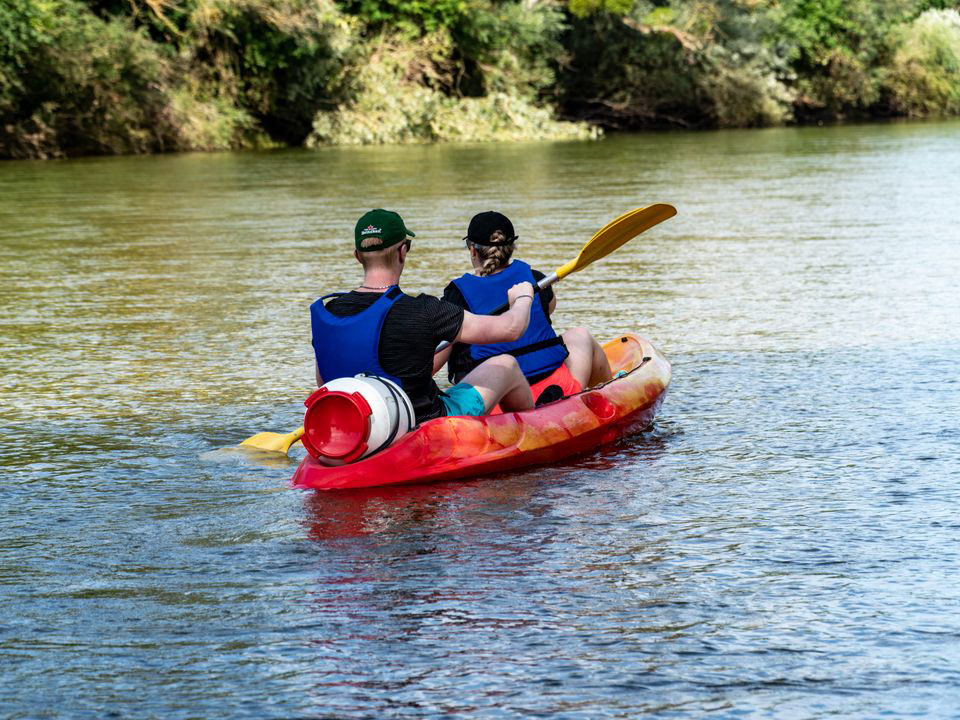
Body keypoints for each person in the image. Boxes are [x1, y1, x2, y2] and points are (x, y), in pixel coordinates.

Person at [311, 209, 536, 424]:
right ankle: (531, 429)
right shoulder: (425, 310)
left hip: (359, 426)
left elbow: (325, 383)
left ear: (358, 257)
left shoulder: (327, 312)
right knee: (506, 364)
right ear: (403, 251)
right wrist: (522, 298)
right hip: (425, 425)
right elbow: (511, 329)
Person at [437, 211, 612, 405]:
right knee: (580, 336)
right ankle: (609, 394)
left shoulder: (456, 296)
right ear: (511, 248)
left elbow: (438, 357)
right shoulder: (536, 279)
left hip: (496, 403)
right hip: (556, 387)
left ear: (473, 251)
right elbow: (549, 310)